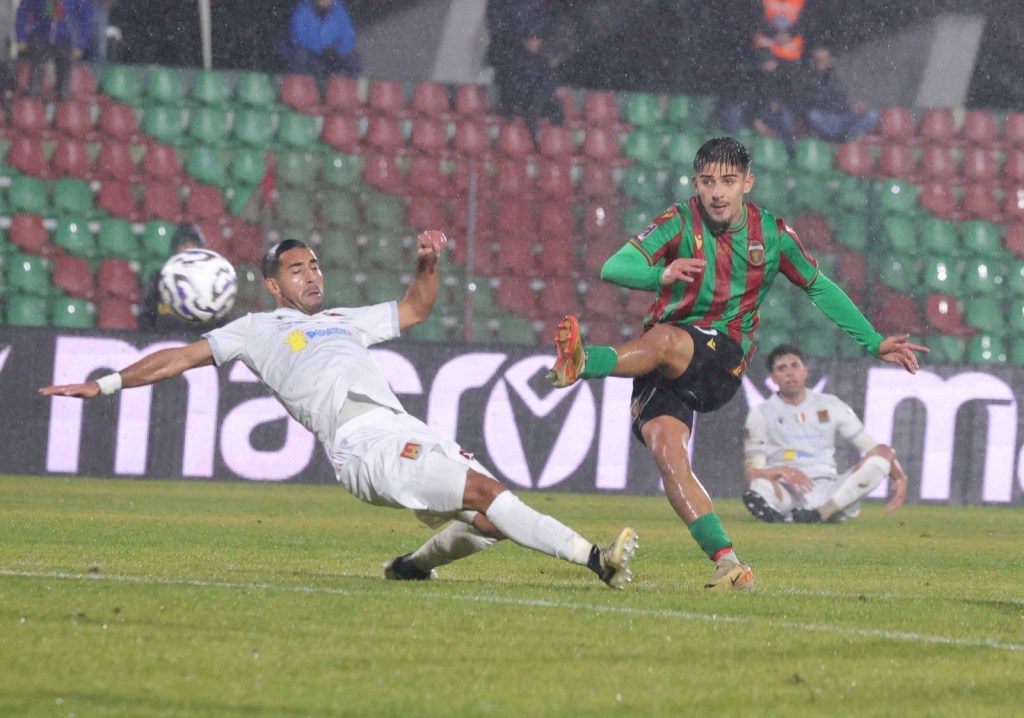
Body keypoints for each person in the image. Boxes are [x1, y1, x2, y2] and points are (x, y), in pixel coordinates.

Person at [40, 231, 639, 589]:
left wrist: (427, 263)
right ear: (274, 286)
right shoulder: (254, 328)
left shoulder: (342, 320)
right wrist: (107, 384)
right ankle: (596, 559)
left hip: (403, 426)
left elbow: (415, 308)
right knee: (487, 493)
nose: (311, 275)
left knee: (487, 524)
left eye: (315, 265)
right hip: (361, 445)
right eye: (296, 269)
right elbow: (177, 358)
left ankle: (408, 568)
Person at [546, 137, 927, 591]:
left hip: (721, 358)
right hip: (661, 363)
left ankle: (583, 362)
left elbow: (819, 286)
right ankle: (728, 562)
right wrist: (658, 274)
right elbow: (614, 266)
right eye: (708, 182)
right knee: (669, 456)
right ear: (696, 183)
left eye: (728, 181)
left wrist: (872, 341)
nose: (718, 193)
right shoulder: (678, 220)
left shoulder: (772, 234)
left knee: (665, 338)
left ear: (748, 182)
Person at [743, 343, 908, 523]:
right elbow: (754, 472)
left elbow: (877, 449)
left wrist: (900, 477)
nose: (789, 373)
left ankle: (820, 513)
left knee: (880, 462)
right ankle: (791, 514)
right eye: (782, 368)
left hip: (831, 490)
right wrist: (781, 471)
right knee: (759, 486)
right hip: (787, 490)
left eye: (795, 365)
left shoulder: (831, 405)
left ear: (805, 371)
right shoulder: (761, 413)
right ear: (773, 377)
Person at [138, 223, 212, 334]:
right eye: (183, 245)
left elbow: (218, 322)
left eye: (192, 244)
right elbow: (146, 317)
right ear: (175, 249)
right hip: (163, 343)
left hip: (197, 346)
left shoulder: (210, 281)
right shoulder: (158, 278)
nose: (188, 249)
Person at [798, 45, 879, 142]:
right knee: (814, 116)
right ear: (813, 61)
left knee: (872, 115)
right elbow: (807, 104)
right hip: (825, 117)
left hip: (841, 115)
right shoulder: (807, 79)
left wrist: (854, 107)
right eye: (819, 59)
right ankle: (841, 136)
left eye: (826, 59)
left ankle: (846, 135)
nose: (824, 62)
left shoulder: (835, 76)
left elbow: (843, 99)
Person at [16, 0, 93, 100]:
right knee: (36, 77)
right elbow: (22, 12)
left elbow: (87, 18)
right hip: (40, 36)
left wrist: (80, 43)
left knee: (64, 81)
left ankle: (64, 110)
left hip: (65, 38)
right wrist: (22, 36)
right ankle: (32, 107)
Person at [287, 0, 360, 96]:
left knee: (353, 58)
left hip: (332, 54)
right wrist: (320, 50)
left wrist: (338, 51)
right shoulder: (303, 9)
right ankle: (299, 91)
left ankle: (347, 94)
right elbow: (298, 35)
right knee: (300, 55)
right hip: (310, 53)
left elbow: (348, 36)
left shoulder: (339, 10)